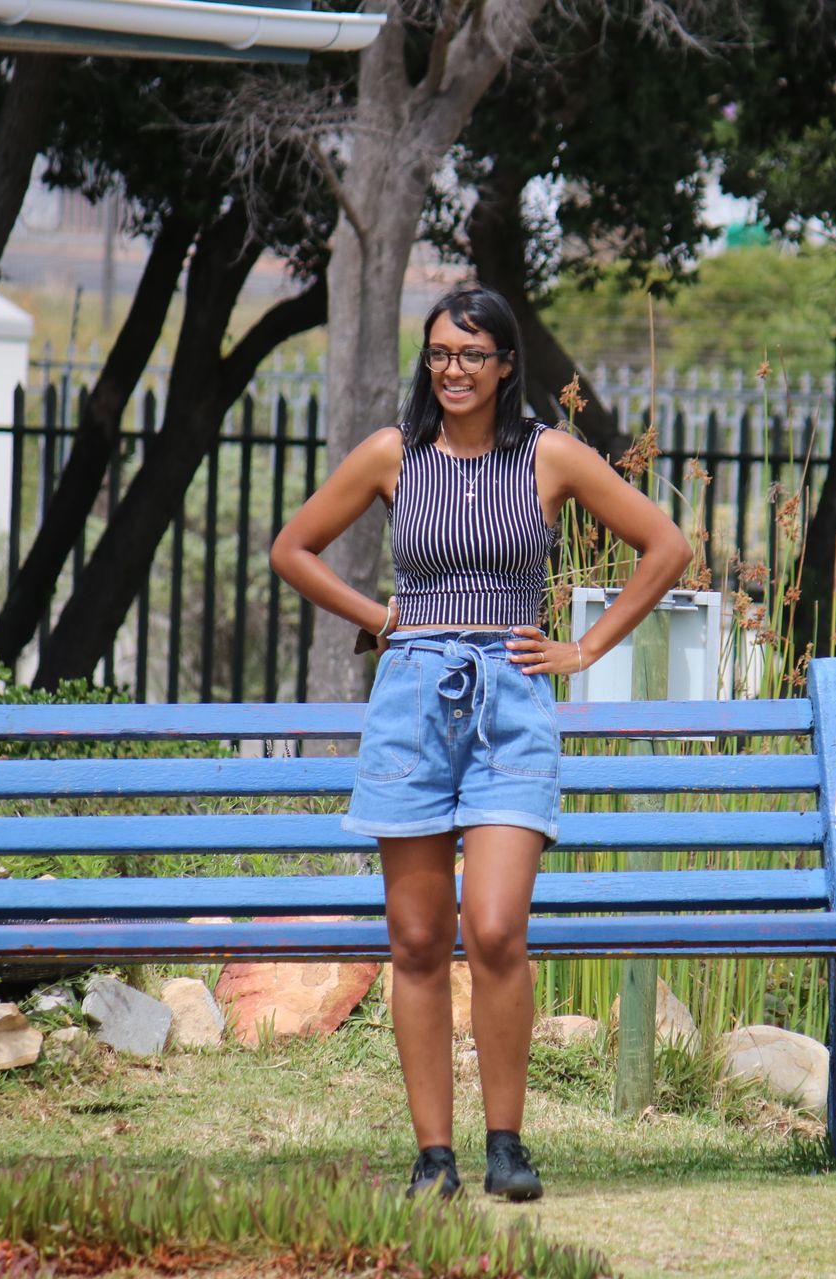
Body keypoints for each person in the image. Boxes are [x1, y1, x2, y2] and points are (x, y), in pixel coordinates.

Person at [271, 286, 691, 1202]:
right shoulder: (394, 454)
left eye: (471, 355)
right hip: (413, 700)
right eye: (438, 355)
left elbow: (666, 546)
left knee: (496, 928)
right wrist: (383, 616)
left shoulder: (551, 455)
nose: (452, 370)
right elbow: (293, 549)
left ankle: (508, 1142)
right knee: (418, 940)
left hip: (510, 702)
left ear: (507, 365)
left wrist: (584, 647)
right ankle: (435, 1156)